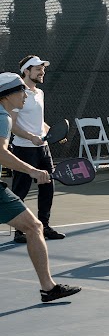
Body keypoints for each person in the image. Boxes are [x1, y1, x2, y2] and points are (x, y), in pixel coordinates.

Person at [0, 73, 81, 302]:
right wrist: (32, 171)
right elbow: (1, 154)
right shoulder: (2, 118)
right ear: (7, 95)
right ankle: (48, 287)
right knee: (34, 227)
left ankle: (48, 288)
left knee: (34, 226)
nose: (25, 95)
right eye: (21, 91)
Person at [10, 55, 65, 244]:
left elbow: (38, 121)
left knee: (48, 186)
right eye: (38, 69)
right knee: (20, 191)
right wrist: (31, 137)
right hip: (23, 149)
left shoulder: (39, 93)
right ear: (26, 71)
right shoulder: (18, 93)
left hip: (43, 149)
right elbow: (13, 125)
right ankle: (19, 231)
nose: (42, 72)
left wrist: (51, 132)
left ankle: (44, 226)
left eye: (43, 69)